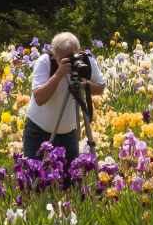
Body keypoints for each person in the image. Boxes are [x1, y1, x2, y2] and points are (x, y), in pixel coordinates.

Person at [22, 32, 105, 166]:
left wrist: (84, 85)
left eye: (72, 55)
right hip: (39, 132)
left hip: (68, 134)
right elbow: (39, 98)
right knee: (35, 179)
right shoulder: (45, 62)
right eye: (64, 58)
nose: (71, 61)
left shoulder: (86, 61)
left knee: (70, 181)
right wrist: (59, 73)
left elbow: (100, 88)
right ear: (54, 54)